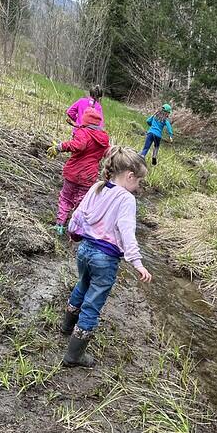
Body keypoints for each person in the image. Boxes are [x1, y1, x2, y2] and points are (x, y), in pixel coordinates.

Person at [61, 146, 152, 368]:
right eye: (139, 181)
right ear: (130, 176)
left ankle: (66, 327)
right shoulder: (127, 199)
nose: (138, 186)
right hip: (105, 258)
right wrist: (137, 263)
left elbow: (79, 213)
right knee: (93, 303)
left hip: (85, 251)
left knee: (81, 285)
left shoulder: (97, 187)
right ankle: (74, 356)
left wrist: (74, 233)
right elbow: (127, 232)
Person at [48, 107, 110, 235]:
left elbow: (79, 145)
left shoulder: (83, 133)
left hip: (74, 172)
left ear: (86, 121)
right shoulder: (104, 138)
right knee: (81, 201)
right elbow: (107, 152)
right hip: (89, 176)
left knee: (66, 197)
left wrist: (60, 146)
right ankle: (76, 228)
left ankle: (60, 225)